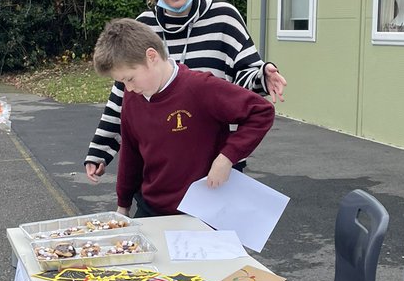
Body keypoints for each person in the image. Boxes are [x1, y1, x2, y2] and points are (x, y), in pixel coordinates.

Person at [85, 0, 286, 180]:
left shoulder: (223, 17)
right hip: (162, 165)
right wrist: (101, 149)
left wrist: (261, 76)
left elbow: (242, 79)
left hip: (216, 164)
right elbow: (123, 95)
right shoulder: (144, 26)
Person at [93, 19, 275, 217]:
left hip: (205, 209)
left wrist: (227, 158)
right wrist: (123, 204)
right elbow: (131, 152)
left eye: (129, 79)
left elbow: (261, 111)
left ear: (151, 57)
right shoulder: (132, 97)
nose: (128, 88)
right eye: (121, 82)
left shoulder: (200, 87)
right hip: (152, 208)